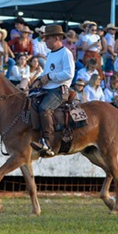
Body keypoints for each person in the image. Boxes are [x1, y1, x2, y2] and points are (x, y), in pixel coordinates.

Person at [29, 25, 75, 156]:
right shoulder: (50, 54)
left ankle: (48, 143)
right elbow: (47, 72)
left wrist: (49, 77)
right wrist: (39, 79)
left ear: (56, 38)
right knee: (29, 102)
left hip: (59, 89)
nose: (45, 41)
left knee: (45, 108)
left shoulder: (66, 53)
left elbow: (69, 74)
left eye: (47, 38)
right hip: (47, 88)